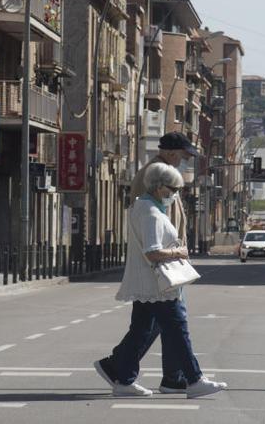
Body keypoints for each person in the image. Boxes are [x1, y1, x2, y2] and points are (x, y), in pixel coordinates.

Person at [94, 163, 226, 398]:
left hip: (150, 283)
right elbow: (152, 252)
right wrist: (179, 252)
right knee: (178, 329)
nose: (175, 194)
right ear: (158, 187)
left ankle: (119, 374)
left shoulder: (145, 206)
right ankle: (194, 380)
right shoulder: (151, 213)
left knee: (141, 331)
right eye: (172, 189)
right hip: (159, 283)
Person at [95, 132, 198, 393]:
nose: (185, 162)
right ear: (173, 153)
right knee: (169, 323)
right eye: (184, 156)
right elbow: (150, 220)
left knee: (152, 325)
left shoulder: (159, 171)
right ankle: (129, 369)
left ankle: (132, 370)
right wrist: (172, 254)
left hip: (166, 263)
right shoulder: (155, 175)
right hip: (160, 264)